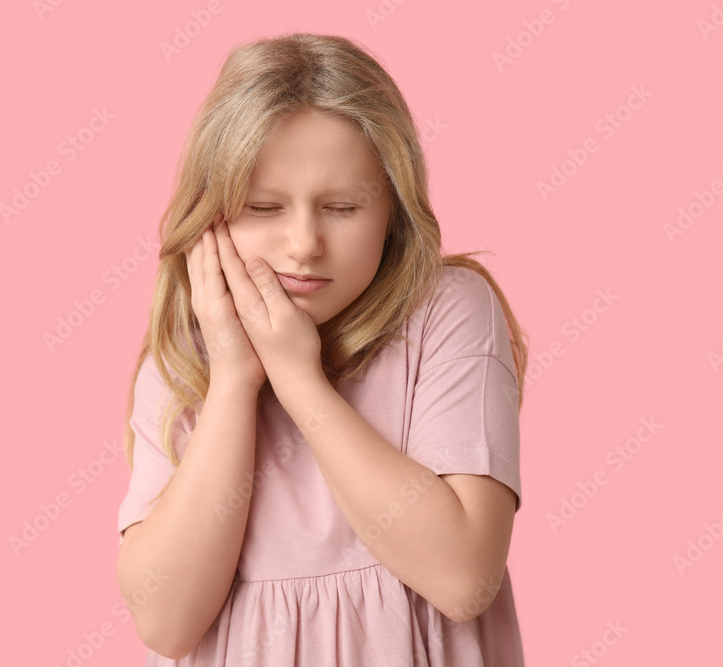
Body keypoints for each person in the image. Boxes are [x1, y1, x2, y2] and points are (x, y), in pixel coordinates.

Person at [116, 32, 530, 666]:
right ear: (211, 219)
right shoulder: (183, 360)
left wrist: (298, 379)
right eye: (262, 207)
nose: (304, 243)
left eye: (341, 206)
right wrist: (233, 380)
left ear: (393, 208)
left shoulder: (447, 311)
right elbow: (167, 623)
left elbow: (463, 578)